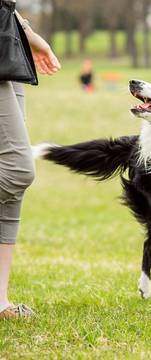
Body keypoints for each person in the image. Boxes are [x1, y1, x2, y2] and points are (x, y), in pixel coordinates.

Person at [0, 2, 61, 319]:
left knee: (10, 185)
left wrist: (26, 30)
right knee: (16, 169)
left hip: (6, 33)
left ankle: (0, 302)